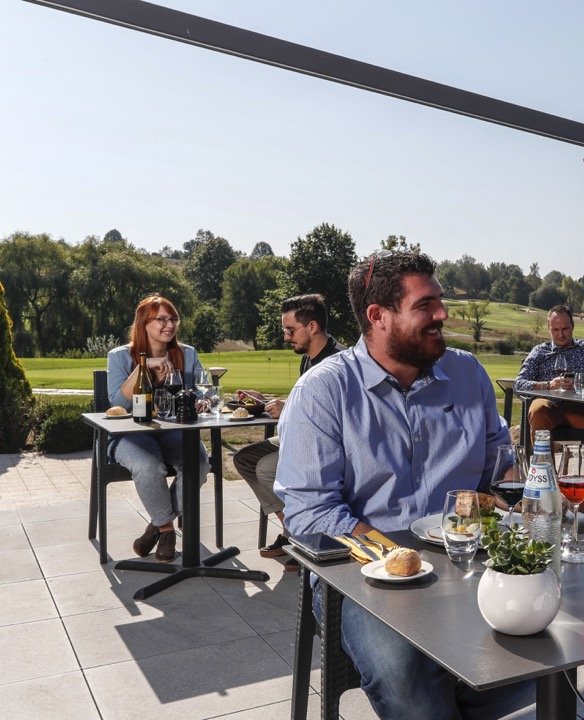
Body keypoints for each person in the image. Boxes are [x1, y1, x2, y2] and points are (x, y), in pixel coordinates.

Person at [275, 251, 532, 720]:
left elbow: (500, 472)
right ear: (378, 316)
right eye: (425, 305)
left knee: (551, 634)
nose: (442, 314)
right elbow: (311, 516)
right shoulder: (323, 391)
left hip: (468, 559)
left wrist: (526, 500)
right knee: (405, 671)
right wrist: (402, 561)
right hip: (359, 577)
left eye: (440, 301)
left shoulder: (467, 374)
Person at [231, 293, 346, 570]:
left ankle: (306, 538)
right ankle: (293, 532)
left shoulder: (338, 363)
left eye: (290, 330)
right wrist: (266, 400)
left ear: (312, 327)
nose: (285, 337)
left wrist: (289, 408)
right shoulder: (309, 357)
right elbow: (304, 399)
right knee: (244, 459)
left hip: (323, 447)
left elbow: (340, 419)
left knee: (266, 469)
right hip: (298, 438)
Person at [106, 294, 210, 563]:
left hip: (175, 431)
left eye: (173, 319)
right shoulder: (119, 357)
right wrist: (144, 366)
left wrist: (204, 399)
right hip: (130, 434)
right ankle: (166, 531)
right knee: (148, 466)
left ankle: (157, 524)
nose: (170, 325)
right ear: (144, 323)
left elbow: (202, 390)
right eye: (161, 319)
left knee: (198, 463)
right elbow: (118, 404)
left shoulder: (187, 354)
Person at [515, 305, 584, 444]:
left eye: (565, 329)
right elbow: (518, 385)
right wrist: (548, 385)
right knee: (538, 409)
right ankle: (544, 459)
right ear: (548, 328)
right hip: (549, 408)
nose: (561, 334)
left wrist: (583, 385)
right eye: (555, 330)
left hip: (581, 409)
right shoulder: (539, 351)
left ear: (572, 326)